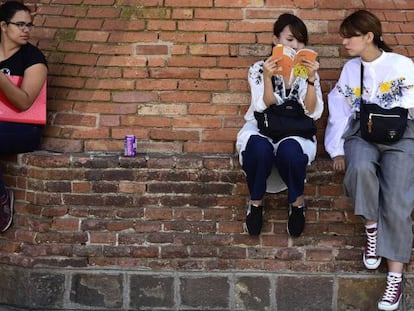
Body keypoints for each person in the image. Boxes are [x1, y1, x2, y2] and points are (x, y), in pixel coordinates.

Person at [324, 9, 414, 311]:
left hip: (401, 135)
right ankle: (372, 229)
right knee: (359, 167)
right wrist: (336, 148)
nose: (344, 41)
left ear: (369, 37)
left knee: (398, 202)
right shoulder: (351, 68)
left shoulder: (402, 65)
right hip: (364, 133)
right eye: (344, 35)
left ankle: (395, 277)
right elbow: (339, 106)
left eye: (350, 36)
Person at [236, 13, 324, 238]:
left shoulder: (306, 71)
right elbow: (261, 104)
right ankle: (256, 204)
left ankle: (297, 203)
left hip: (295, 131)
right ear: (276, 40)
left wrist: (311, 80)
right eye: (290, 39)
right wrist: (268, 77)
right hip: (263, 126)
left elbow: (313, 111)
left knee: (290, 152)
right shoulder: (258, 68)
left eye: (300, 41)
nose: (296, 45)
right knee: (258, 148)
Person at [0, 1, 47, 232]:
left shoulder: (33, 59)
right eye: (20, 24)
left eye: (29, 25)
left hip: (23, 127)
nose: (26, 30)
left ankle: (1, 199)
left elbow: (24, 102)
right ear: (3, 26)